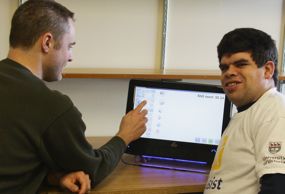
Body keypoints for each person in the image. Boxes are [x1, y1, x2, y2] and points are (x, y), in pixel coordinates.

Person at [0, 1, 147, 194]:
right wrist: (124, 136)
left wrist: (54, 177)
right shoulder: (53, 107)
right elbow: (91, 169)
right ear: (47, 42)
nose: (71, 57)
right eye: (70, 46)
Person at [204, 28, 285, 194]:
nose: (229, 73)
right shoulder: (246, 112)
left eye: (241, 64)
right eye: (224, 67)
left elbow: (278, 187)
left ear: (268, 70)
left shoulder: (274, 111)